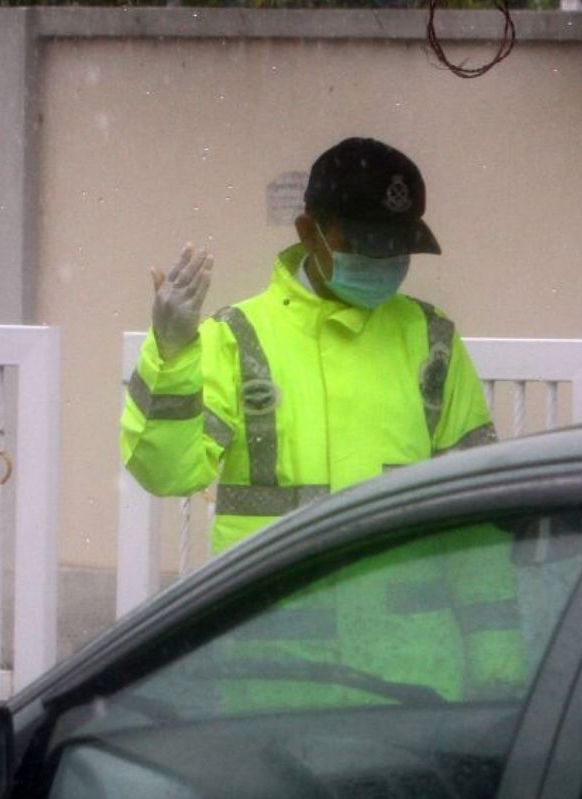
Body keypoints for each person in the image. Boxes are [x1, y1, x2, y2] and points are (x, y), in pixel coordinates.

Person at [122, 137, 498, 552]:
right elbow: (168, 474)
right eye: (361, 245)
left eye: (396, 246)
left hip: (403, 597)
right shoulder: (237, 338)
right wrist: (172, 354)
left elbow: (476, 506)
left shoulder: (434, 339)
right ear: (307, 232)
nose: (381, 260)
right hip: (279, 593)